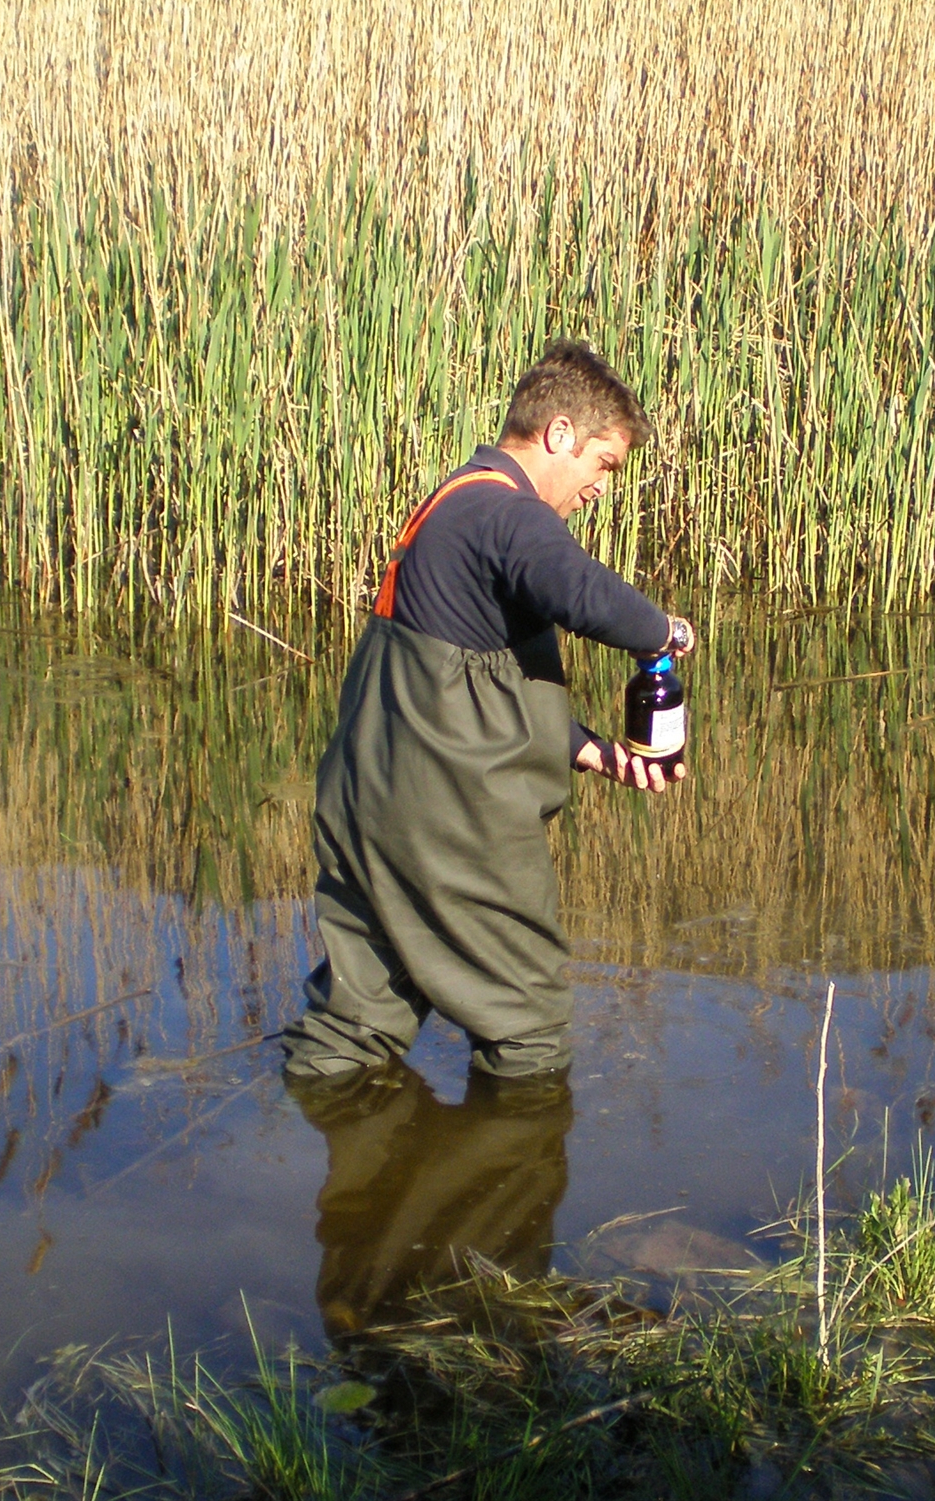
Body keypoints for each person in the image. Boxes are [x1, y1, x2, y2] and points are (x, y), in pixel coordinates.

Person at [280, 340, 694, 1083]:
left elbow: (474, 681)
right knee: (527, 1030)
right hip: (449, 824)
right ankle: (512, 1188)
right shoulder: (506, 513)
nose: (602, 488)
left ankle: (304, 1179)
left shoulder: (451, 507)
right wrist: (662, 632)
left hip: (366, 805)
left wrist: (592, 750)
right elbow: (581, 591)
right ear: (558, 434)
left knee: (355, 1023)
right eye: (604, 463)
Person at [293, 1064, 573, 1332]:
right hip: (468, 1321)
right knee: (526, 1066)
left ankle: (329, 1078)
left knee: (347, 1048)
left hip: (368, 1312)